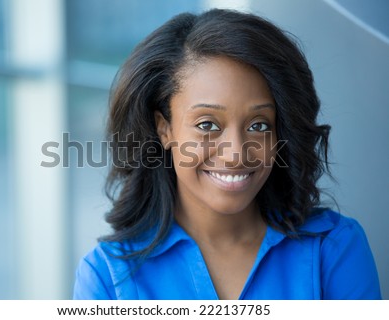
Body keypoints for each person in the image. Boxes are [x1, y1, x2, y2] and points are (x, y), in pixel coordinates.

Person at [73, 8, 381, 300]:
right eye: (207, 124)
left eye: (259, 125)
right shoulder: (107, 277)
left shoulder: (334, 249)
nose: (235, 154)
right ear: (164, 129)